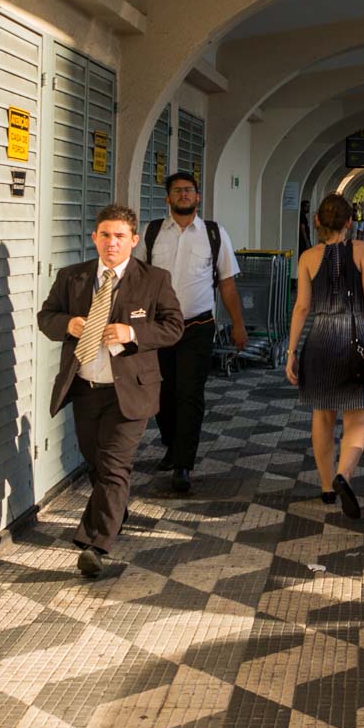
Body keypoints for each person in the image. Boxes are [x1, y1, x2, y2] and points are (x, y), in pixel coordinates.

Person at [38, 205, 185, 578]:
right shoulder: (72, 277)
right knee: (97, 463)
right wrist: (67, 324)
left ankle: (95, 544)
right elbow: (46, 317)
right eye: (105, 235)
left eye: (120, 236)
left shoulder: (154, 279)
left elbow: (173, 328)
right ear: (94, 238)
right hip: (85, 388)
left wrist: (132, 333)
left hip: (130, 392)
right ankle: (115, 511)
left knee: (115, 466)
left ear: (134, 240)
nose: (111, 243)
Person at [140, 171, 246, 495]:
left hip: (198, 326)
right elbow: (137, 279)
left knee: (189, 394)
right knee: (161, 395)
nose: (183, 195)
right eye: (177, 191)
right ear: (168, 199)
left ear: (198, 197)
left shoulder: (214, 234)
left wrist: (238, 324)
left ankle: (183, 464)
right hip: (159, 328)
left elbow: (227, 282)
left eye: (188, 190)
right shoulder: (153, 232)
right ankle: (173, 445)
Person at [287, 193, 364, 518]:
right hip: (355, 335)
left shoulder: (307, 257)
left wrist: (291, 352)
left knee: (322, 415)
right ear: (350, 222)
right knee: (357, 416)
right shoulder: (361, 250)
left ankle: (326, 487)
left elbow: (302, 306)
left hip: (319, 337)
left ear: (317, 221)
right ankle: (344, 474)